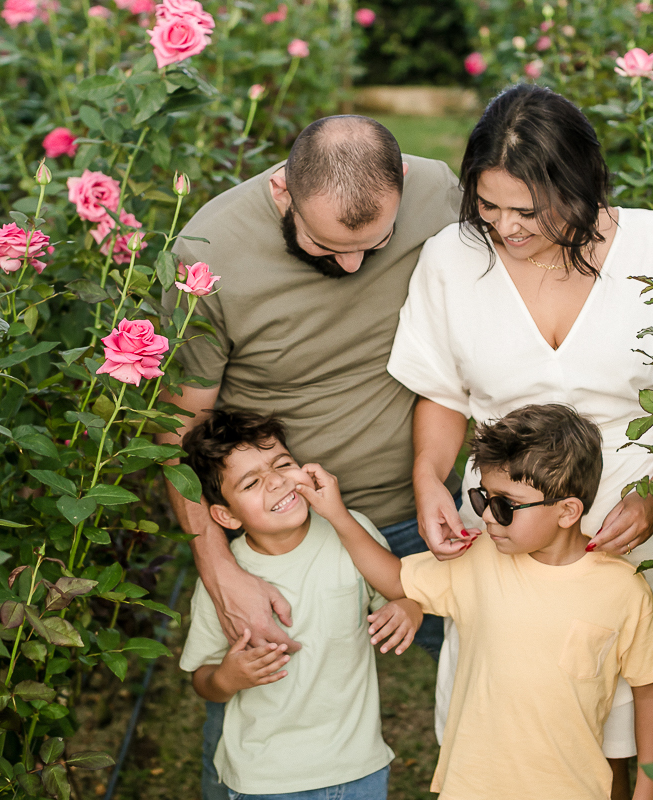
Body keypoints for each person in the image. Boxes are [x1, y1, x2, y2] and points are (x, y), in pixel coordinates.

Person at [386, 84, 653, 797]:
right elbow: (441, 394)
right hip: (505, 518)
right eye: (489, 206)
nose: (507, 228)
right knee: (510, 715)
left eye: (529, 210)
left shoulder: (652, 243)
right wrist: (429, 481)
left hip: (630, 520)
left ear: (580, 186)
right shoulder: (452, 257)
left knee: (632, 711)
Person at [157, 116, 461, 797]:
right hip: (280, 537)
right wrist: (216, 566)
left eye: (373, 245)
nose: (351, 266)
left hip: (418, 510)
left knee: (502, 681)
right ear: (281, 193)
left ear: (403, 185)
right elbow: (179, 423)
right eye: (325, 245)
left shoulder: (438, 192)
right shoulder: (207, 253)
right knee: (256, 714)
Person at [307, 404, 653, 800]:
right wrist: (337, 515)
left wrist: (649, 788)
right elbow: (397, 578)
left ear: (567, 511)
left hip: (573, 789)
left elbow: (651, 690)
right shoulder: (480, 559)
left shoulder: (622, 589)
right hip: (472, 788)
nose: (486, 517)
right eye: (483, 499)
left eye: (504, 505)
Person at [178, 409, 423, 800]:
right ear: (225, 515)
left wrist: (410, 608)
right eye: (251, 482)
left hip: (358, 767)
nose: (276, 482)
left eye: (282, 464)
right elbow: (203, 680)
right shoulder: (225, 582)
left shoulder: (350, 531)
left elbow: (400, 591)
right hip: (264, 780)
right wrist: (228, 678)